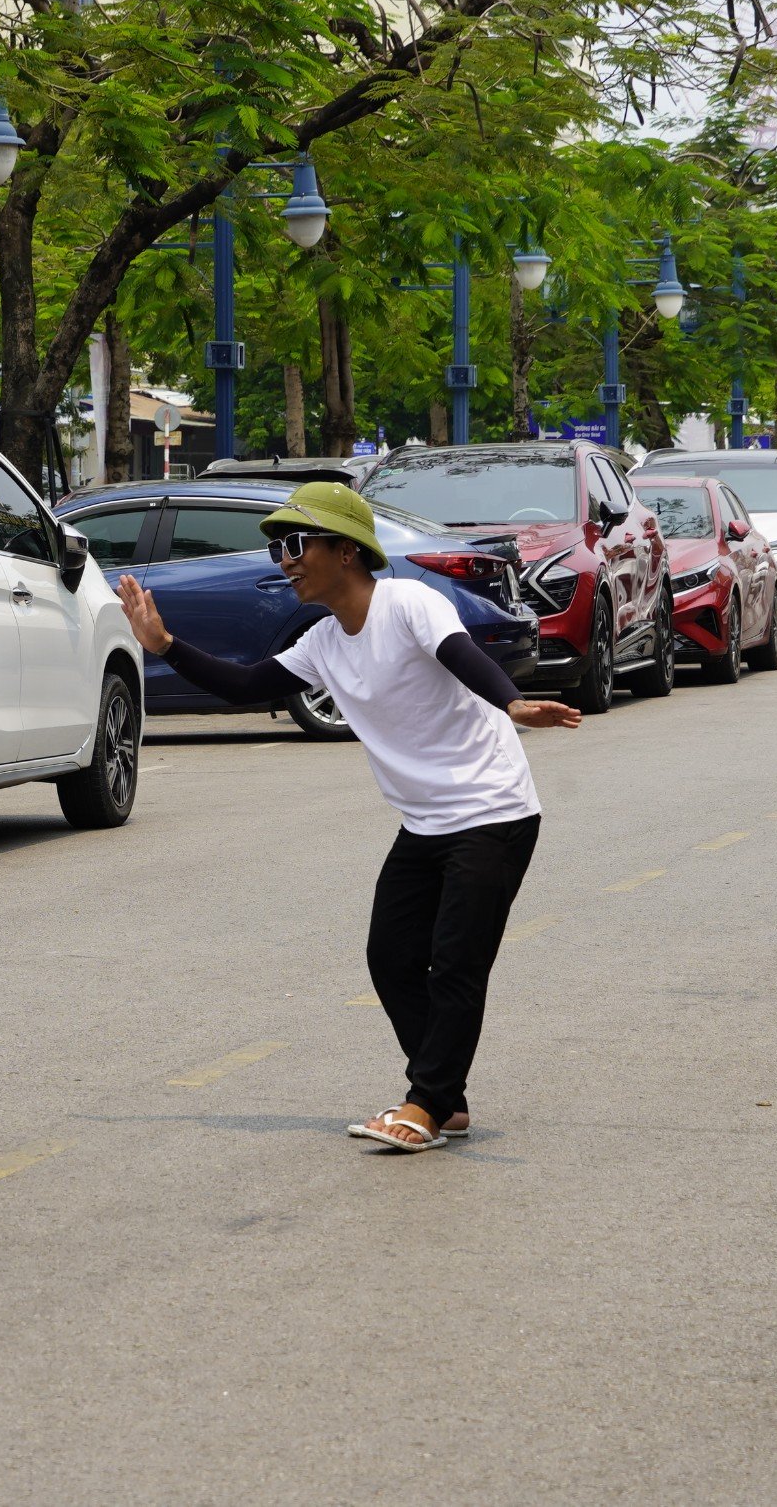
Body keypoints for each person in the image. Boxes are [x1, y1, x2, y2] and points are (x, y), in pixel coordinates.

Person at [111, 481, 582, 1153]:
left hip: (492, 809)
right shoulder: (324, 642)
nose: (285, 560)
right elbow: (245, 684)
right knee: (390, 955)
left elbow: (463, 656)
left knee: (455, 962)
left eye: (297, 545)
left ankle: (424, 1102)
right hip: (425, 822)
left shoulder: (408, 604)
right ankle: (445, 1099)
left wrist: (511, 704)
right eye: (278, 548)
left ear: (348, 552)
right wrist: (164, 644)